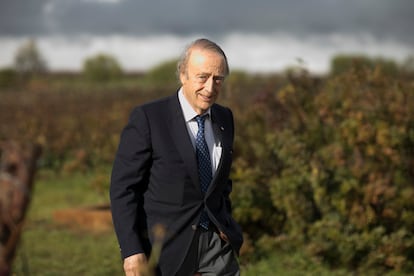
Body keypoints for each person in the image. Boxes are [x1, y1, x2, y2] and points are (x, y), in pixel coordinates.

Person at [110, 38, 243, 276]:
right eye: (202, 77)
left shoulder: (225, 118)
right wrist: (131, 250)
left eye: (218, 79)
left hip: (217, 248)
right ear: (183, 75)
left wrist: (226, 225)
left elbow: (222, 182)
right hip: (166, 253)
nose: (210, 88)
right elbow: (124, 189)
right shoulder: (149, 118)